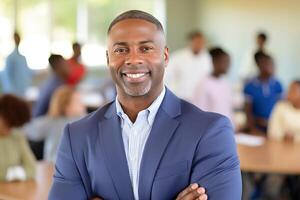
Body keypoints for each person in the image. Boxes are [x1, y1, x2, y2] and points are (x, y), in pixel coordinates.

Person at [49, 10, 241, 200]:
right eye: (121, 50)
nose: (133, 59)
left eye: (146, 48)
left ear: (165, 57)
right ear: (108, 59)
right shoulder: (77, 137)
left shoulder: (210, 131)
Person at [24, 86, 86, 163]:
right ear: (66, 107)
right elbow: (29, 130)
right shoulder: (52, 122)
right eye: (78, 102)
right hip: (53, 166)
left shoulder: (51, 121)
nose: (82, 105)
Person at [165, 30, 212, 101]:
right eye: (197, 42)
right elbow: (166, 78)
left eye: (202, 42)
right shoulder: (177, 57)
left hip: (201, 100)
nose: (200, 44)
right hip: (181, 99)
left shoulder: (208, 58)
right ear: (190, 42)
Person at [244, 51, 283, 134]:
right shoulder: (250, 86)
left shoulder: (277, 85)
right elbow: (248, 111)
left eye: (273, 64)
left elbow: (281, 108)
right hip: (256, 129)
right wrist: (253, 129)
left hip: (274, 129)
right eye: (269, 64)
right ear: (259, 66)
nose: (272, 67)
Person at [192, 47, 233, 122]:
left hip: (227, 129)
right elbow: (199, 114)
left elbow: (228, 110)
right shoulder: (204, 84)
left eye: (229, 62)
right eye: (225, 62)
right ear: (215, 62)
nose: (228, 65)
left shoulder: (225, 83)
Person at [0, 94, 36, 181]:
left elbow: (32, 168)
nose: (9, 129)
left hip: (12, 191)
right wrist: (15, 173)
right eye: (7, 123)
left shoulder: (17, 136)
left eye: (13, 125)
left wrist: (9, 174)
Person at [2, 32, 31, 97]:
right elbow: (7, 77)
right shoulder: (10, 58)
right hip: (13, 92)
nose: (17, 40)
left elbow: (27, 72)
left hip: (23, 90)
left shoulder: (22, 58)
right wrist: (10, 91)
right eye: (16, 38)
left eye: (18, 39)